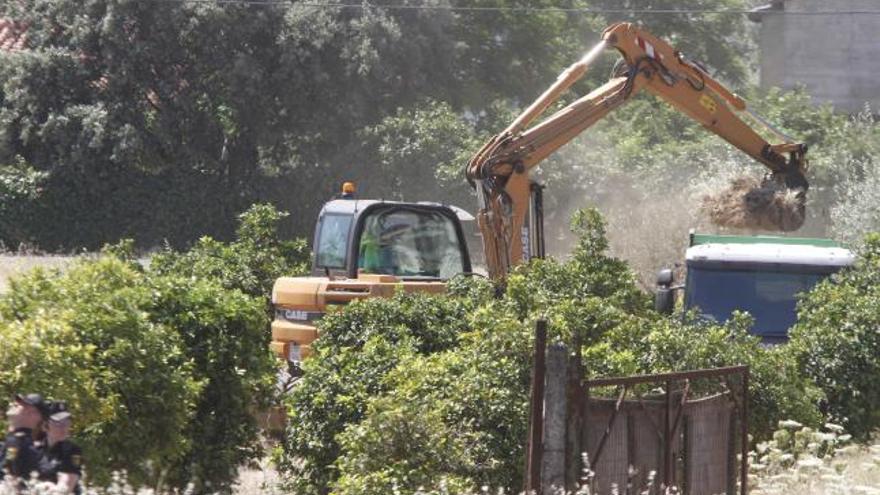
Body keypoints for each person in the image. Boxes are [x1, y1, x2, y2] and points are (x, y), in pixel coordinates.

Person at [2, 393, 49, 482]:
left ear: (33, 414)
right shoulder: (16, 440)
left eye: (21, 404)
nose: (14, 404)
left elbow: (8, 475)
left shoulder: (19, 442)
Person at [38, 402, 82, 494]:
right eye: (58, 423)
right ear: (45, 426)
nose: (64, 427)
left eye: (67, 422)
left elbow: (66, 487)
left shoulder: (72, 451)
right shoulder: (36, 449)